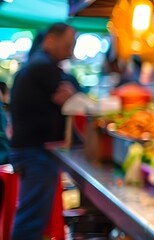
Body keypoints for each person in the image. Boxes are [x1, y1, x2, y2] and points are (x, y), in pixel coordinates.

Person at [8, 23, 77, 240]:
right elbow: (74, 93)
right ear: (50, 39)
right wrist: (73, 91)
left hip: (31, 151)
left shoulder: (37, 65)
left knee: (33, 218)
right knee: (31, 221)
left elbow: (72, 92)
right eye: (67, 46)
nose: (70, 53)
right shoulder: (42, 66)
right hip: (34, 152)